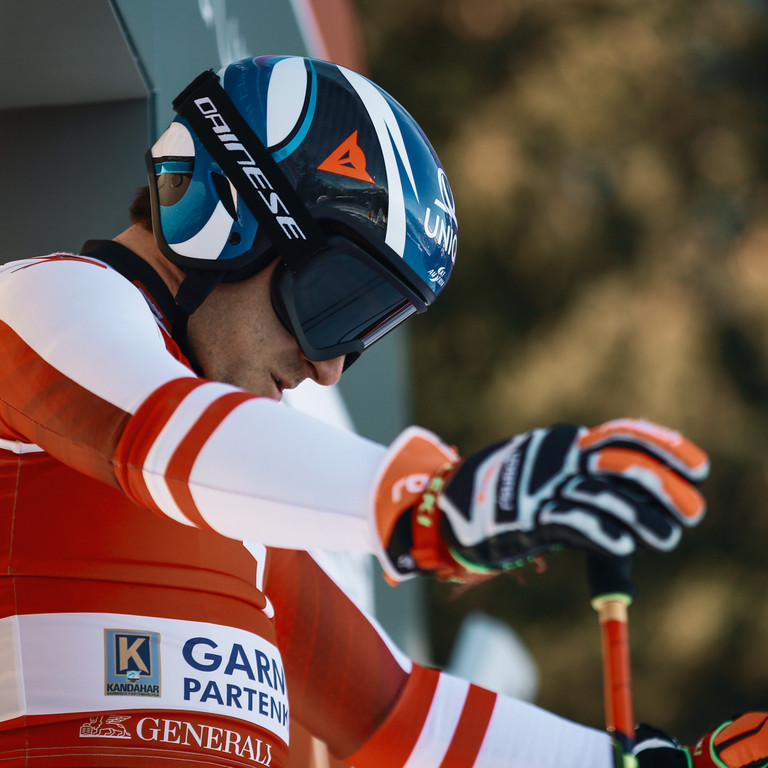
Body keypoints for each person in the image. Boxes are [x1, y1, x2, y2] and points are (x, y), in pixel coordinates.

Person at [0, 53, 749, 768]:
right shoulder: (44, 300)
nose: (326, 366)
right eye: (332, 304)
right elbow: (160, 436)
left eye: (365, 329)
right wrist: (442, 506)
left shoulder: (233, 498)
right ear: (227, 212)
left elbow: (397, 716)